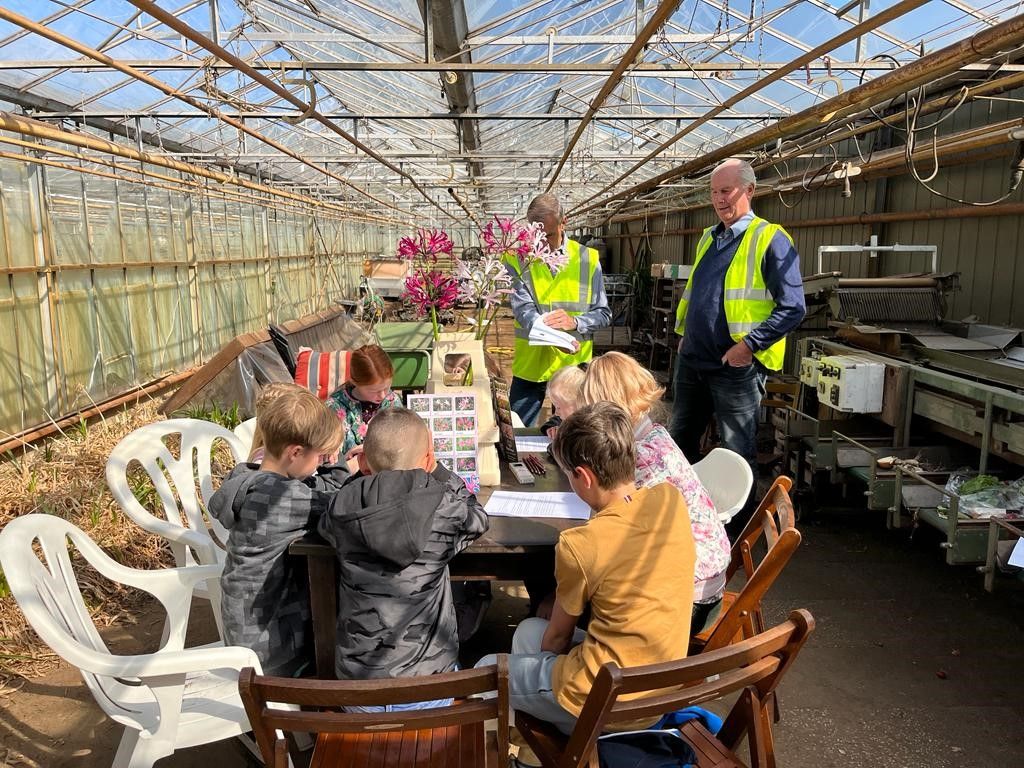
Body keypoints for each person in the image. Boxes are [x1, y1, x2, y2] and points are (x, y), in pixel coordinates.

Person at [476, 402, 696, 735]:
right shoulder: (670, 499)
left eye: (568, 475)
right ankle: (548, 740)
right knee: (527, 631)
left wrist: (546, 670)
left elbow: (558, 638)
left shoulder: (581, 544)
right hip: (657, 688)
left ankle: (558, 741)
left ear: (584, 477)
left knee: (485, 670)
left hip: (604, 701)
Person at [317, 407, 489, 703]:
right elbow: (478, 516)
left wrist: (360, 475)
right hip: (430, 690)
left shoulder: (341, 507)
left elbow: (325, 523)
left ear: (364, 462)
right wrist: (439, 471)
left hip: (357, 694)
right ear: (427, 459)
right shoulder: (444, 509)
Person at [671, 158, 806, 527]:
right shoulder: (709, 237)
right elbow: (698, 295)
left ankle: (734, 533)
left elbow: (793, 307)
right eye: (714, 192)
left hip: (735, 368)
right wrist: (684, 337)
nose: (719, 199)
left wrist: (749, 345)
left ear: (750, 190)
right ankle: (682, 522)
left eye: (726, 191)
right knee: (678, 444)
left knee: (736, 453)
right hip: (693, 362)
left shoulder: (770, 239)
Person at [581, 351, 730, 631]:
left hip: (686, 602)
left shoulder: (639, 458)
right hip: (705, 582)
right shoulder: (654, 435)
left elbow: (608, 530)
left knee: (576, 583)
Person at [210, 388, 345, 677]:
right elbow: (341, 506)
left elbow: (311, 490)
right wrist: (339, 464)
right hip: (271, 651)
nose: (322, 462)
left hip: (244, 632)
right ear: (295, 452)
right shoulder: (280, 499)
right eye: (321, 456)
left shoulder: (248, 478)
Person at [504, 193, 611, 426]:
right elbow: (523, 310)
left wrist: (575, 322)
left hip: (574, 368)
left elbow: (603, 313)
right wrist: (553, 336)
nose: (542, 244)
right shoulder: (515, 259)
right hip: (531, 366)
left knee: (575, 435)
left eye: (549, 235)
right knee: (516, 431)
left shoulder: (588, 259)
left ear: (564, 222)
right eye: (537, 235)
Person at [326, 344, 403, 459]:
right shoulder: (334, 407)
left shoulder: (392, 401)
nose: (382, 395)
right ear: (355, 382)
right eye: (374, 391)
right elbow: (328, 451)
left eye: (387, 388)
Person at [538, 364, 587, 440]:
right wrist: (552, 427)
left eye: (558, 407)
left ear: (578, 402)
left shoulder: (597, 426)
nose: (556, 413)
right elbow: (556, 420)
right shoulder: (569, 417)